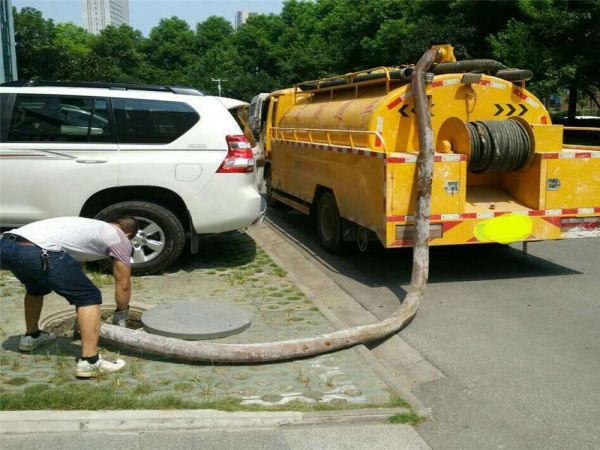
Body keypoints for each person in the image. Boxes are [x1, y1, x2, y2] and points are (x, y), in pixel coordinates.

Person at [0, 216, 138, 378]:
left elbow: (71, 263)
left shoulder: (91, 227)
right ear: (128, 234)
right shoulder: (120, 239)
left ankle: (31, 337)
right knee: (88, 296)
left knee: (36, 288)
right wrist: (121, 312)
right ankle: (90, 362)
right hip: (37, 249)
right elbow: (123, 285)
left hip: (6, 244)